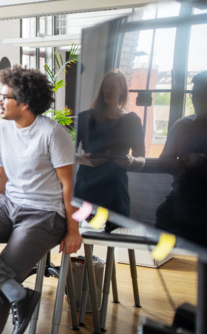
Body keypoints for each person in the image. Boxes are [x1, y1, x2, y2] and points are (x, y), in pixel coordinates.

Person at [0, 65, 82, 334]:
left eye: (5, 97)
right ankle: (16, 291)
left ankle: (8, 291)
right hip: (9, 206)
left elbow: (69, 186)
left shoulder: (53, 133)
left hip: (45, 214)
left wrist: (73, 230)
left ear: (24, 102)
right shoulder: (3, 130)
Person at [75, 69, 145, 221]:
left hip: (115, 185)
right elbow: (66, 152)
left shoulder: (131, 120)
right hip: (87, 183)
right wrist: (81, 159)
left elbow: (142, 158)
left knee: (115, 230)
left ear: (122, 91)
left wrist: (131, 161)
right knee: (84, 228)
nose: (108, 90)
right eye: (105, 87)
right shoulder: (85, 117)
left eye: (113, 87)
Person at [156, 71, 207, 247]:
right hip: (180, 198)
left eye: (201, 95)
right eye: (193, 95)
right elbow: (163, 160)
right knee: (162, 215)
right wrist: (182, 164)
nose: (195, 100)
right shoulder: (182, 126)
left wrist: (201, 161)